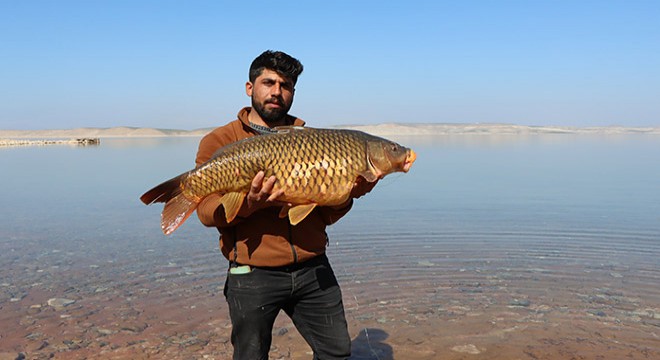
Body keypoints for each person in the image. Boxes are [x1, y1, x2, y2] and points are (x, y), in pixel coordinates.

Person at [195, 50, 376, 359]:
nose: (277, 92)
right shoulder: (220, 141)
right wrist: (251, 204)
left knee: (337, 352)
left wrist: (349, 194)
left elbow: (326, 214)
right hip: (252, 272)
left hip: (313, 267)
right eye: (269, 82)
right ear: (250, 88)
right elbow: (206, 213)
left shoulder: (313, 141)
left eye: (286, 85)